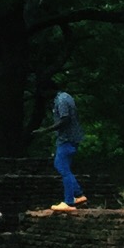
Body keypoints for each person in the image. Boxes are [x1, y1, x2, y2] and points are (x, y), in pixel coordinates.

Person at [47, 80, 88, 210]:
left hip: (66, 139)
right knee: (62, 166)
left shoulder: (61, 100)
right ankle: (79, 195)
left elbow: (65, 119)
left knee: (62, 167)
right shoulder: (66, 97)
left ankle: (69, 201)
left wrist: (46, 130)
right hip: (71, 138)